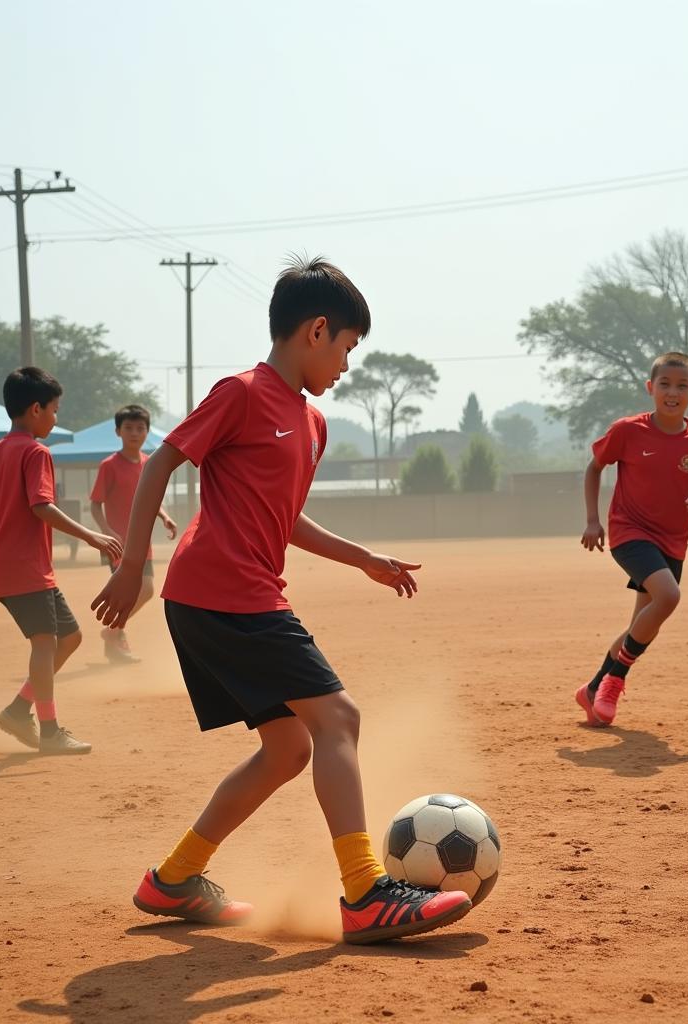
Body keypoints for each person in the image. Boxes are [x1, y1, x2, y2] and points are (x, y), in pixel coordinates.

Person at [90, 256, 473, 944]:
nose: (347, 366)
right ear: (317, 331)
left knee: (288, 748)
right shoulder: (241, 393)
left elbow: (285, 516)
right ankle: (365, 893)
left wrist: (364, 559)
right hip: (221, 593)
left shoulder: (313, 424)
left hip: (239, 596)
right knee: (340, 720)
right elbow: (161, 461)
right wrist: (132, 563)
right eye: (349, 349)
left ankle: (173, 879)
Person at [0, 367, 123, 755]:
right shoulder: (36, 452)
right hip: (25, 567)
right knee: (45, 643)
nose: (55, 417)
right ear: (36, 409)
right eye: (54, 410)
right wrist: (91, 535)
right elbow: (42, 506)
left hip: (12, 565)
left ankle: (19, 711)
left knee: (69, 637)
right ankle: (49, 731)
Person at [576, 352, 688, 726]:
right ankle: (615, 680)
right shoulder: (628, 430)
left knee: (643, 626)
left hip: (673, 542)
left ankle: (592, 688)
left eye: (682, 386)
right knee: (669, 596)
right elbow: (595, 467)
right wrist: (593, 520)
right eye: (664, 384)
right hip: (629, 531)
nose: (672, 392)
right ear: (651, 388)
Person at [89, 404, 177, 663]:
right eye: (128, 428)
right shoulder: (109, 465)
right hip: (119, 545)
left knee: (147, 590)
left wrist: (165, 516)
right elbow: (95, 503)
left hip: (142, 541)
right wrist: (106, 532)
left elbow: (151, 498)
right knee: (128, 591)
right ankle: (115, 636)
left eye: (140, 428)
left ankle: (113, 633)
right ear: (118, 431)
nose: (134, 433)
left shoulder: (150, 463)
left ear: (147, 432)